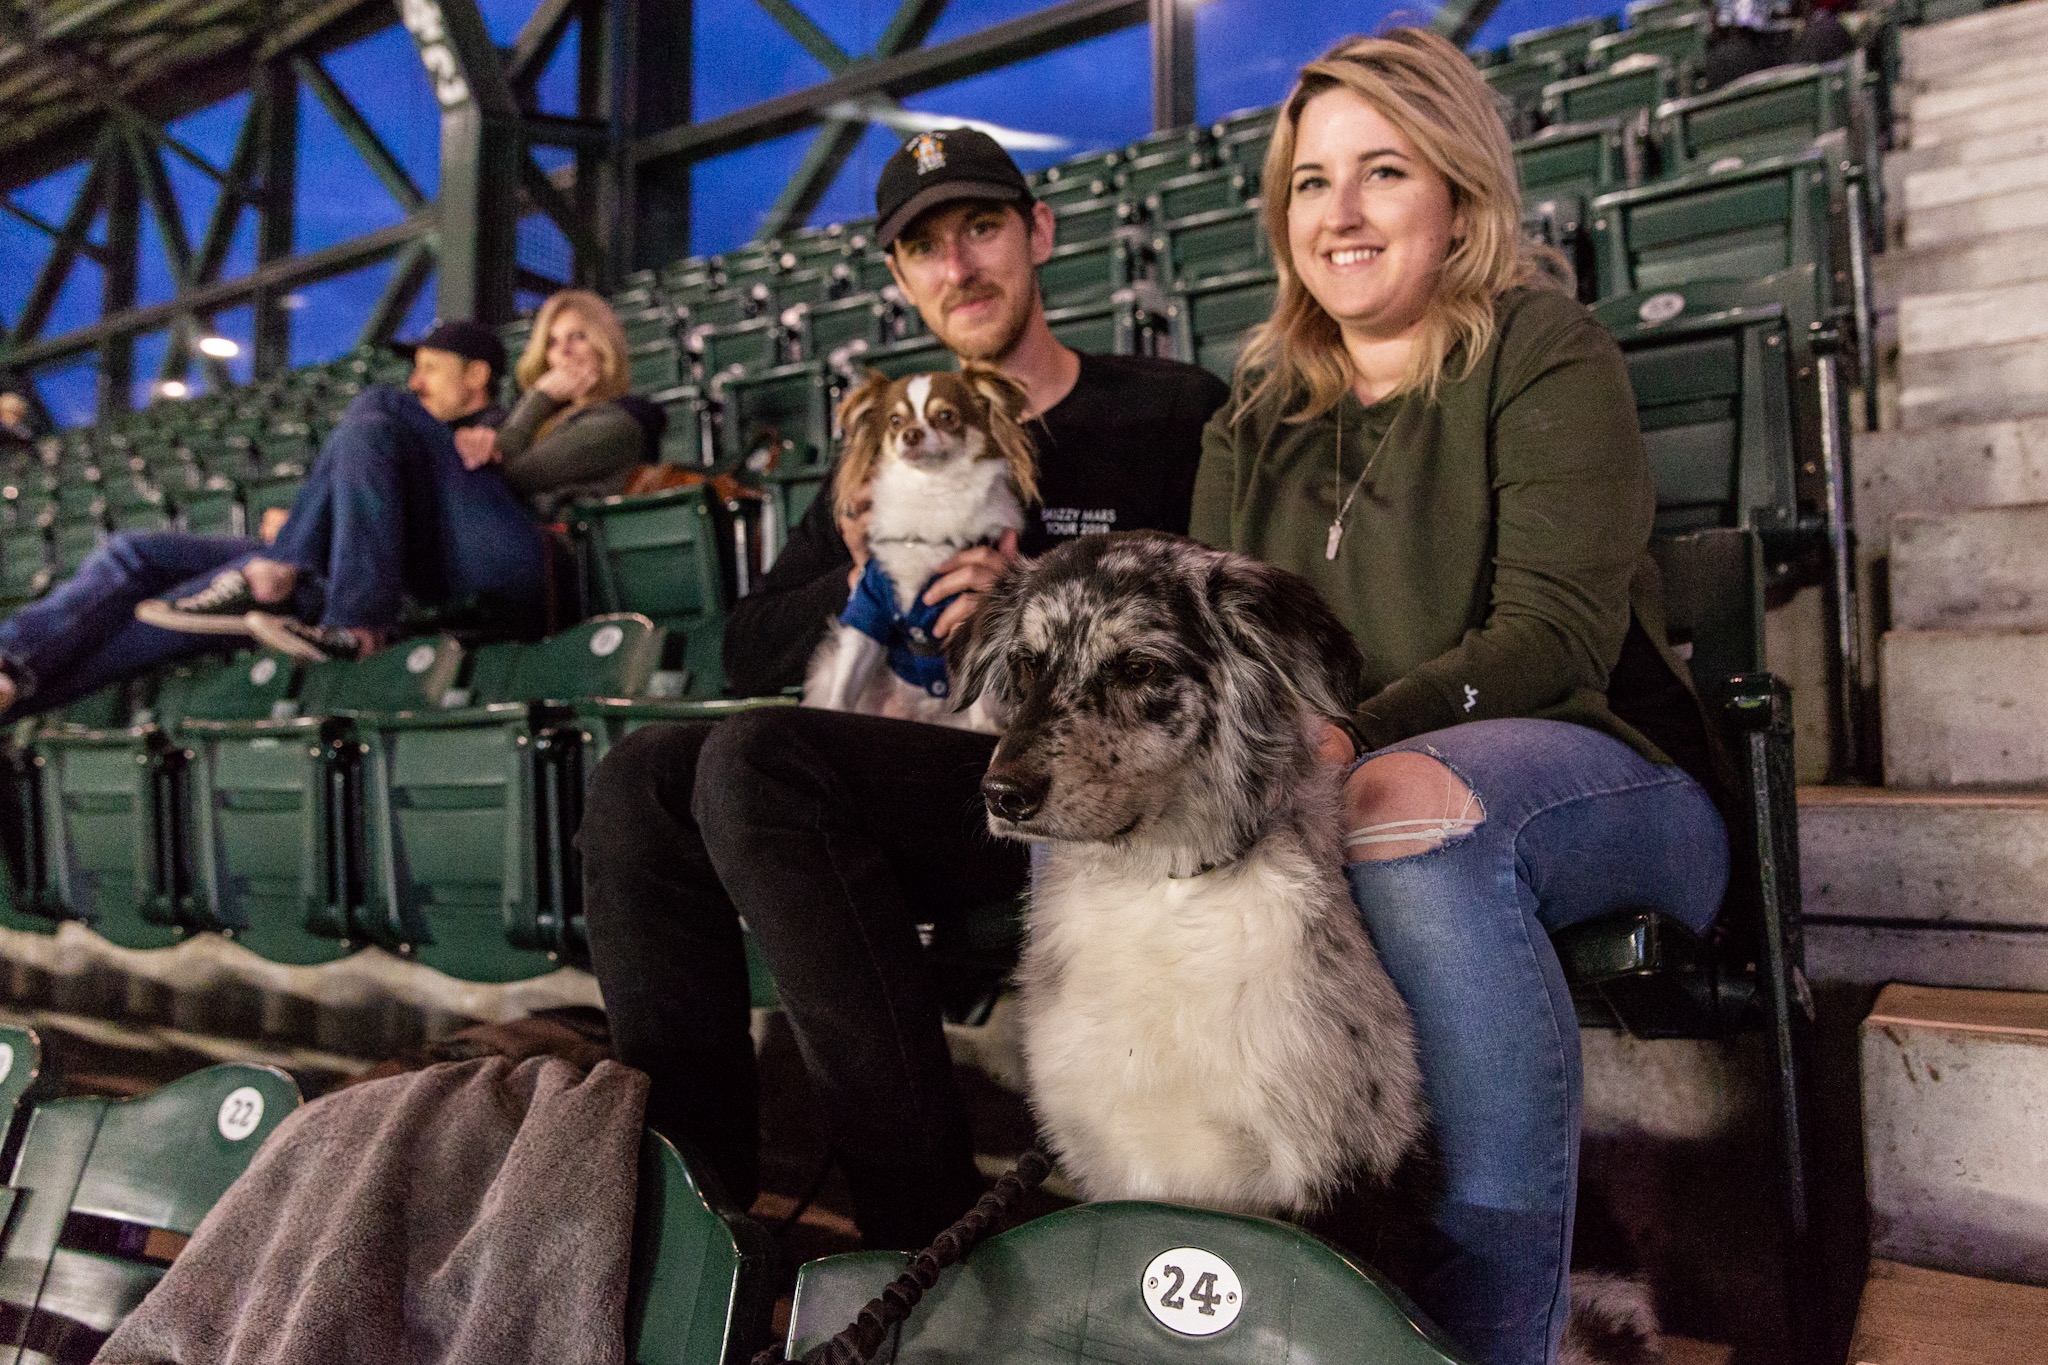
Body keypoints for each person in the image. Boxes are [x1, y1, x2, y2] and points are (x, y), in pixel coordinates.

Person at [578, 128, 1230, 1248]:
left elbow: (1222, 615)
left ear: (1038, 233)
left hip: (1094, 781)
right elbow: (748, 646)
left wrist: (1032, 596)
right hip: (930, 774)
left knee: (757, 761)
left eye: (980, 227)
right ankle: (693, 1222)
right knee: (639, 774)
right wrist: (865, 564)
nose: (958, 266)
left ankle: (914, 1229)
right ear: (897, 276)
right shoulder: (888, 448)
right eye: (923, 247)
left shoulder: (1165, 408)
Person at [1189, 32, 1729, 1365]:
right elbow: (1220, 657)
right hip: (1334, 787)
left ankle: (1495, 1334)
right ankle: (1230, 1292)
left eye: (1385, 171)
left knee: (1406, 816)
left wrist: (1347, 735)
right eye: (1313, 183)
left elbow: (1550, 636)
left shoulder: (1543, 348)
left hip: (1609, 786)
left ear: (1461, 195)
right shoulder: (1251, 418)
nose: (1344, 213)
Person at [0, 323, 507, 718]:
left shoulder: (486, 437)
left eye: (431, 368)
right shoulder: (387, 436)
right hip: (311, 555)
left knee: (152, 612)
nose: (416, 383)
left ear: (477, 375)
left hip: (348, 577)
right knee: (132, 551)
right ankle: (7, 658)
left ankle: (13, 689)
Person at [141, 293, 646, 662]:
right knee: (372, 422)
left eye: (578, 336)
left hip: (535, 563)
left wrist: (537, 399)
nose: (564, 354)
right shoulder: (526, 419)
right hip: (470, 557)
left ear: (607, 342)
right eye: (553, 343)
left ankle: (281, 573)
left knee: (382, 404)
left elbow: (516, 474)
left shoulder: (624, 418)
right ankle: (349, 624)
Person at [0, 392, 38, 459]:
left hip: (13, 424)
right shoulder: (7, 399)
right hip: (10, 426)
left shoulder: (7, 399)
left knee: (25, 435)